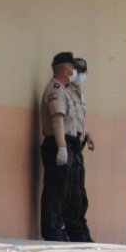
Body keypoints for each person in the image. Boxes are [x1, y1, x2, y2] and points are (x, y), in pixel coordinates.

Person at [39, 51, 79, 241]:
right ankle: (51, 230)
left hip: (66, 144)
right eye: (72, 67)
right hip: (57, 144)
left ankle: (58, 228)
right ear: (65, 69)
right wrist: (62, 146)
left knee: (64, 190)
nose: (74, 71)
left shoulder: (65, 90)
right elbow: (57, 120)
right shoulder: (55, 90)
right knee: (55, 190)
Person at [63, 56, 95, 242]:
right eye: (78, 71)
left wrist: (87, 135)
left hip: (78, 147)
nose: (80, 75)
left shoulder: (81, 94)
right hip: (69, 147)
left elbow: (77, 121)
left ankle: (81, 234)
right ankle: (76, 235)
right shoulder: (65, 92)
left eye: (83, 72)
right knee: (73, 195)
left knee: (80, 195)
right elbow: (66, 122)